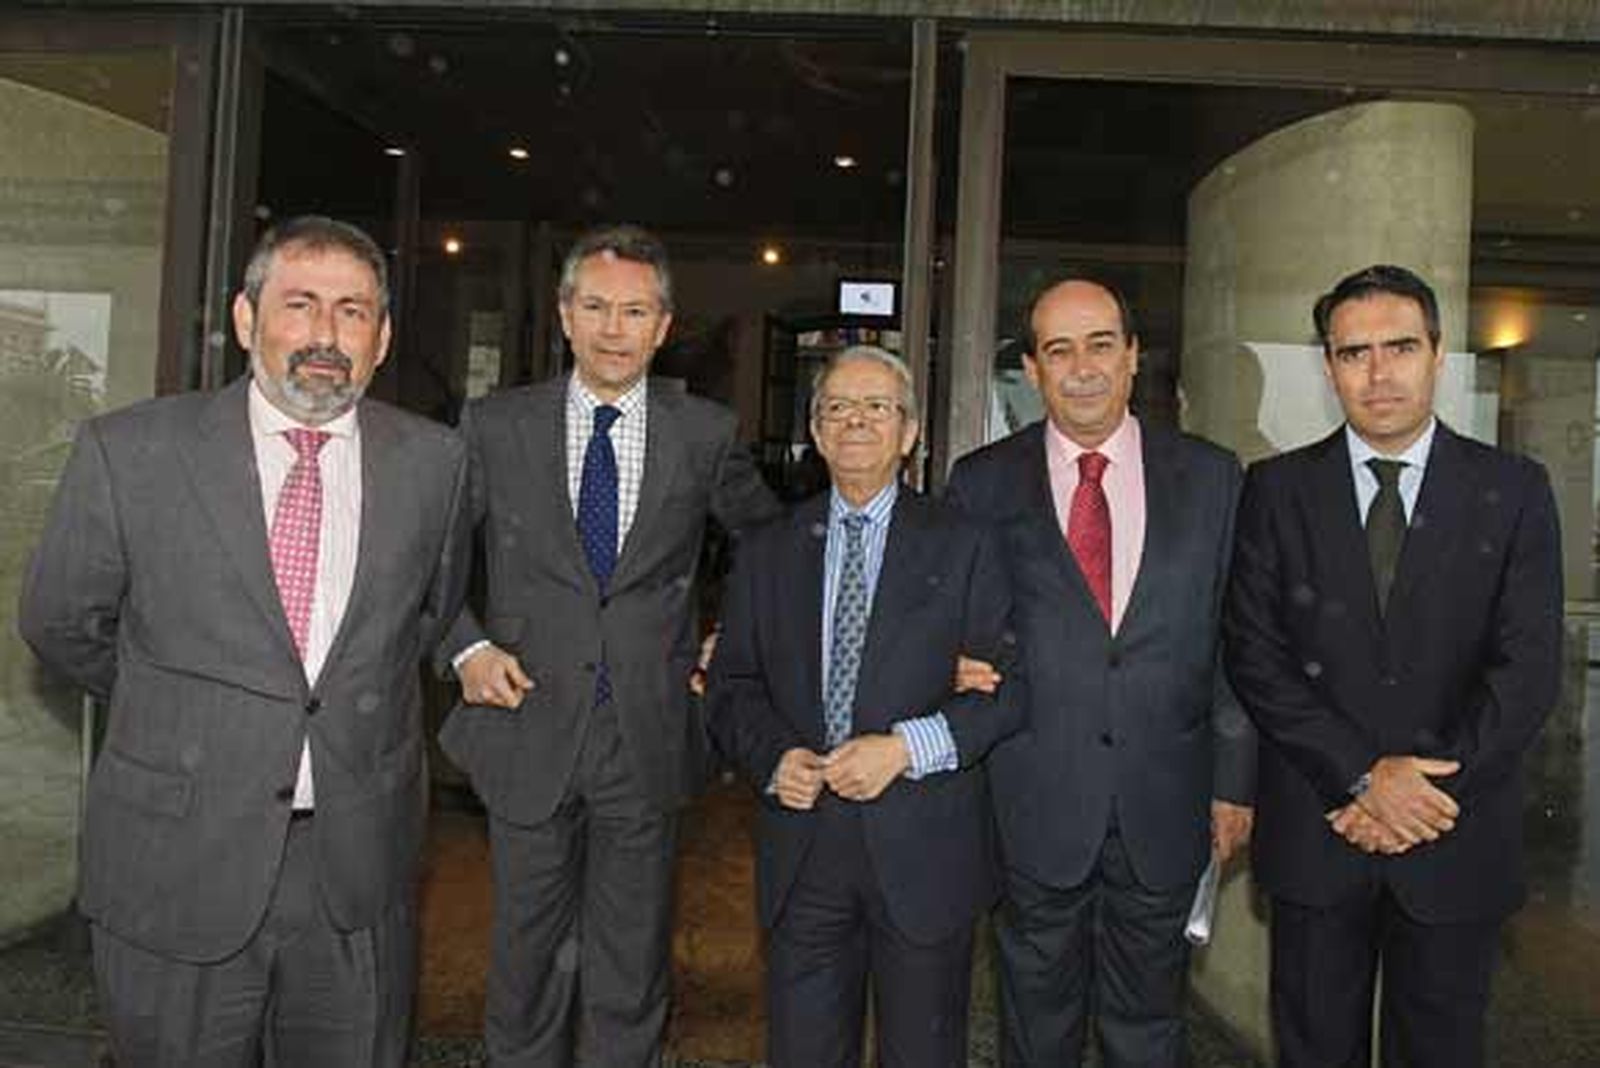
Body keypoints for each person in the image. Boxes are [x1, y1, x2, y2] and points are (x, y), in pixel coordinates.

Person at [18, 215, 468, 1066]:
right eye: (300, 305)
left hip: (354, 873)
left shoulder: (434, 465)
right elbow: (61, 622)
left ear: (383, 338)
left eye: (353, 311)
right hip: (179, 861)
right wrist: (190, 710)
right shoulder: (132, 452)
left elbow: (427, 615)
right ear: (244, 319)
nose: (326, 334)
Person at [439, 224, 780, 1067]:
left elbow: (773, 547)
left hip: (647, 732)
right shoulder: (494, 425)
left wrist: (728, 639)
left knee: (629, 970)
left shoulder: (703, 432)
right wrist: (465, 648)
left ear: (663, 326)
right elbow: (429, 559)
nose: (614, 329)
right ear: (565, 314)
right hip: (526, 726)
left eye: (635, 311)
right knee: (524, 966)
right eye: (595, 307)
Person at [1224, 264, 1562, 1068]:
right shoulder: (1275, 489)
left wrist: (1421, 793)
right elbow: (1255, 651)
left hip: (1454, 836)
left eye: (1399, 347)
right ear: (1329, 366)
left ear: (1439, 354)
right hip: (1320, 829)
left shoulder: (1513, 490)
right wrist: (1361, 778)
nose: (1378, 374)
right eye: (1353, 353)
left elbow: (1529, 667)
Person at [945, 277, 1256, 1068]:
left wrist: (1235, 782)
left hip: (1168, 800)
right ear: (1033, 370)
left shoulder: (1215, 479)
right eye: (1059, 350)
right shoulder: (979, 484)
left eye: (1100, 344)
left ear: (1132, 357)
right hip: (1031, 801)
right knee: (1034, 1028)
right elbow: (949, 621)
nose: (1082, 367)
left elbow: (1239, 645)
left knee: (1149, 1029)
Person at [707, 345, 1022, 1067]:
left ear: (909, 433)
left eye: (876, 407)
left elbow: (1011, 691)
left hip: (924, 852)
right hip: (804, 851)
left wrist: (908, 746)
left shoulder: (968, 545)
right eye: (836, 409)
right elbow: (731, 689)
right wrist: (771, 756)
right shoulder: (767, 550)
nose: (855, 422)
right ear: (815, 433)